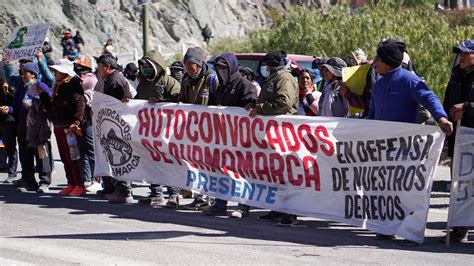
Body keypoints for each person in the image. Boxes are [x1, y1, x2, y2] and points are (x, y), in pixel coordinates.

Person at [368, 39, 453, 241]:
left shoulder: (409, 80)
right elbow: (371, 113)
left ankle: (410, 229)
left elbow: (429, 97)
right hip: (381, 147)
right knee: (384, 188)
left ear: (387, 62)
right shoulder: (379, 84)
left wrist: (441, 117)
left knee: (404, 190)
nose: (374, 63)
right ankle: (386, 227)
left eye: (378, 59)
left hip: (404, 148)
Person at [201, 52, 257, 218]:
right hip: (223, 137)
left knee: (242, 172)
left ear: (231, 67)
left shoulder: (246, 85)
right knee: (221, 170)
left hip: (242, 138)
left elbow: (251, 103)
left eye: (223, 67)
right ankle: (220, 204)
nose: (220, 70)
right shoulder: (220, 87)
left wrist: (250, 105)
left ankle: (243, 206)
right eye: (218, 68)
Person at [246, 51, 299, 226]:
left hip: (284, 132)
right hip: (272, 132)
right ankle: (278, 209)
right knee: (275, 173)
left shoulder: (284, 78)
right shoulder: (275, 78)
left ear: (272, 65)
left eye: (266, 65)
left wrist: (260, 109)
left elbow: (284, 103)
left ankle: (290, 212)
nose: (264, 68)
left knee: (286, 173)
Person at [135, 50, 182, 208]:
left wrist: (162, 101)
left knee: (168, 162)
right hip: (148, 131)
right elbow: (137, 103)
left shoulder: (169, 82)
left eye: (148, 66)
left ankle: (174, 194)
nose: (145, 69)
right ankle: (156, 193)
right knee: (150, 162)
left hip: (167, 131)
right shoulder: (143, 84)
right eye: (142, 67)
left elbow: (179, 101)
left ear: (156, 66)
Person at [442, 39, 474, 243]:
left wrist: (469, 108)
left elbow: (465, 106)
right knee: (460, 186)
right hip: (459, 140)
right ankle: (459, 228)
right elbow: (447, 101)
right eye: (459, 53)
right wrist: (444, 118)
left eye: (465, 53)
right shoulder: (456, 74)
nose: (460, 57)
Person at [179, 47, 218, 209]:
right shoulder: (186, 81)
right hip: (193, 132)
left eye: (191, 64)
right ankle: (201, 196)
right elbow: (181, 100)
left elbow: (219, 104)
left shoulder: (211, 79)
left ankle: (212, 197)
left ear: (199, 64)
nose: (187, 68)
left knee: (210, 165)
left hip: (211, 132)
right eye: (185, 64)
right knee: (198, 165)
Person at [40, 59, 86, 196]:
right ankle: (71, 183)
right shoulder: (58, 86)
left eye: (58, 71)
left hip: (69, 128)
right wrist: (43, 96)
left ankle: (80, 185)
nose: (55, 73)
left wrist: (76, 122)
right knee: (65, 157)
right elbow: (52, 106)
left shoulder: (73, 85)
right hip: (59, 126)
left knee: (74, 157)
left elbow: (80, 103)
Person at [95, 53, 134, 204]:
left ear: (107, 67)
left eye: (99, 67)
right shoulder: (111, 79)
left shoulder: (115, 81)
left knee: (120, 158)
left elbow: (115, 105)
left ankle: (123, 192)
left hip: (118, 126)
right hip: (114, 126)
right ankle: (119, 190)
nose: (98, 70)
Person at [14, 63, 53, 193]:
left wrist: (35, 104)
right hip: (23, 127)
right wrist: (8, 109)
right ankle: (29, 182)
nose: (23, 75)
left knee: (41, 154)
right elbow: (16, 107)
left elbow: (49, 103)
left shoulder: (40, 86)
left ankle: (44, 182)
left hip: (38, 126)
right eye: (22, 72)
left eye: (25, 72)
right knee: (25, 155)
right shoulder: (21, 88)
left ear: (33, 74)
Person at [73, 55, 101, 192]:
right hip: (80, 118)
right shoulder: (77, 80)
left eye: (81, 67)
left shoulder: (90, 79)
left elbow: (77, 85)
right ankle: (87, 178)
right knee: (82, 150)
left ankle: (97, 179)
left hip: (89, 119)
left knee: (91, 149)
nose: (78, 70)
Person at [0, 81, 18, 183]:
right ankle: (2, 164)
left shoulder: (12, 84)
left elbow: (16, 103)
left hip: (8, 120)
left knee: (10, 146)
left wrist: (7, 92)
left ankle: (12, 173)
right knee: (1, 145)